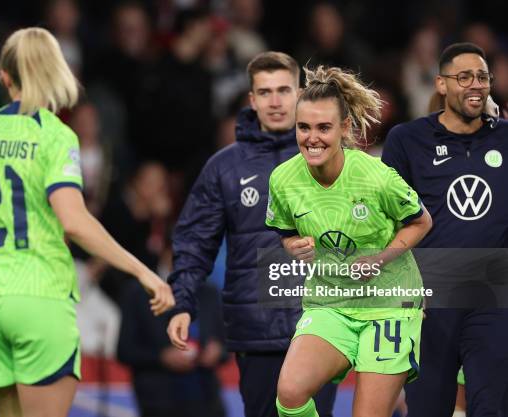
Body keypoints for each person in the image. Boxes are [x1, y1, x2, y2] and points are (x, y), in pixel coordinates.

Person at [0, 27, 174, 417]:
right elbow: (73, 221)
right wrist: (143, 271)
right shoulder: (55, 137)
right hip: (38, 299)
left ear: (4, 77)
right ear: (58, 70)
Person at [167, 51, 338, 417]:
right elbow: (194, 243)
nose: (275, 102)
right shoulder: (224, 167)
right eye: (264, 92)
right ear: (252, 99)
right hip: (256, 332)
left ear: (300, 93)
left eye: (283, 90)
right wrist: (183, 303)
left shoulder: (334, 157)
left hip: (324, 325)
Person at [266, 65, 433, 417]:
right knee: (290, 393)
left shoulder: (376, 176)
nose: (312, 138)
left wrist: (383, 257)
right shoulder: (282, 180)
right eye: (304, 127)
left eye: (324, 127)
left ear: (344, 128)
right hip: (330, 304)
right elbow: (286, 234)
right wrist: (292, 246)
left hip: (389, 306)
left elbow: (421, 222)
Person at [382, 42, 508, 417]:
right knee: (428, 409)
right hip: (429, 300)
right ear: (440, 83)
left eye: (483, 77)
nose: (475, 85)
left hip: (494, 296)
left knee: (492, 407)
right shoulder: (407, 140)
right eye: (464, 76)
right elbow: (389, 220)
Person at [118, 280, 227, 417]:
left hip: (207, 400)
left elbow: (224, 345)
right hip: (159, 402)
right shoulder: (139, 292)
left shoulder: (210, 291)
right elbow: (125, 351)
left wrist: (217, 351)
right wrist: (161, 357)